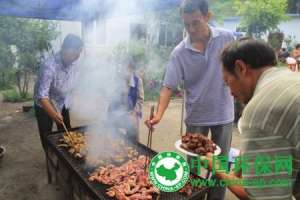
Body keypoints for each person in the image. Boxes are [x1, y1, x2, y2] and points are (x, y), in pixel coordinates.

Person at [145, 0, 234, 199]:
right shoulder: (179, 52)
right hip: (196, 117)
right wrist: (158, 115)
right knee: (194, 167)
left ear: (207, 16)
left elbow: (239, 66)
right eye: (186, 25)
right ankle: (194, 197)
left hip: (223, 113)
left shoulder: (226, 38)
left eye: (196, 23)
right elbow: (168, 86)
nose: (191, 29)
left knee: (220, 166)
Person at [206, 39, 300, 199]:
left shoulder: (262, 108)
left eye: (228, 82)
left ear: (241, 68)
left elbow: (260, 196)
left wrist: (217, 168)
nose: (230, 93)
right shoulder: (290, 79)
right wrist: (236, 171)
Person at [34, 34, 83, 150]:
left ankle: (66, 154)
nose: (76, 57)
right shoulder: (49, 66)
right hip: (44, 105)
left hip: (62, 101)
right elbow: (42, 96)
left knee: (66, 130)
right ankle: (50, 158)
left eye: (79, 53)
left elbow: (73, 82)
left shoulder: (74, 62)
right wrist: (54, 114)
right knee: (47, 135)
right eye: (74, 53)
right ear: (64, 48)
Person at [108, 55, 144, 142]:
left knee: (133, 140)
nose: (124, 71)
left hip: (131, 114)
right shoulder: (118, 79)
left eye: (127, 68)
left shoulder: (137, 80)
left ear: (132, 69)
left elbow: (140, 99)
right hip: (117, 112)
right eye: (123, 67)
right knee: (113, 137)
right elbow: (111, 98)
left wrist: (135, 113)